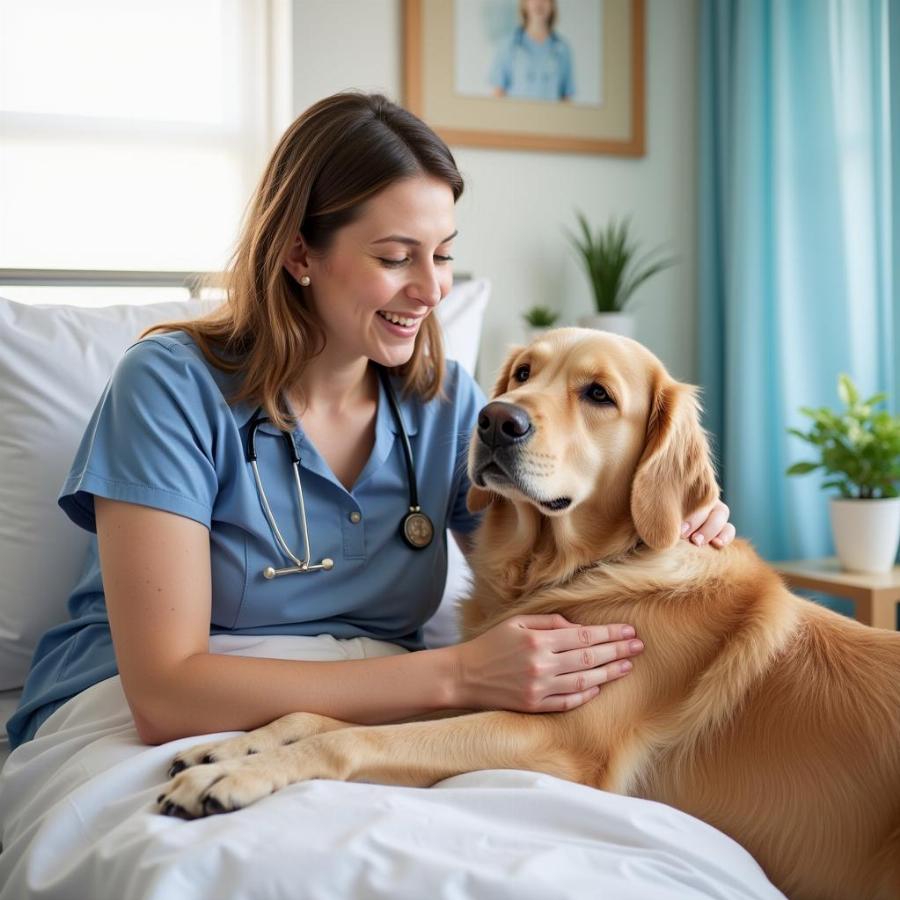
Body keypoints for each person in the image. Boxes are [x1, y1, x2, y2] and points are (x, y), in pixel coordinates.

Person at [6, 92, 734, 751]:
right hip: (144, 716)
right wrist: (457, 676)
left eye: (444, 256)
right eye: (395, 258)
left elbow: (554, 551)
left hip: (386, 713)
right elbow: (165, 698)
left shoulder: (445, 403)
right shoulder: (169, 388)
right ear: (298, 253)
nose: (430, 289)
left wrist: (678, 515)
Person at [490, 0, 575, 102]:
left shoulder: (562, 49)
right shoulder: (508, 45)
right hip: (517, 116)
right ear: (524, 4)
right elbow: (498, 93)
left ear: (552, 5)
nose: (539, 3)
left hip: (550, 117)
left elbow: (567, 97)